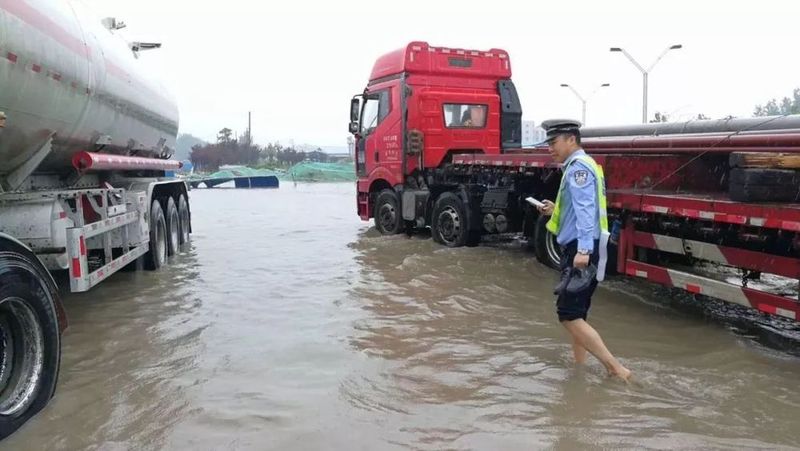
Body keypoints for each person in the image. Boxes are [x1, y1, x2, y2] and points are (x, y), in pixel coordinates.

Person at [536, 119, 631, 382]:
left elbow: (586, 210)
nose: (550, 148)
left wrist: (584, 251)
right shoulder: (584, 165)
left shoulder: (579, 168)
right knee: (578, 314)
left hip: (580, 248)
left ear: (571, 139)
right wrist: (555, 209)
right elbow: (579, 207)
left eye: (554, 142)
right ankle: (579, 368)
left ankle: (616, 369)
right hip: (580, 245)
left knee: (567, 315)